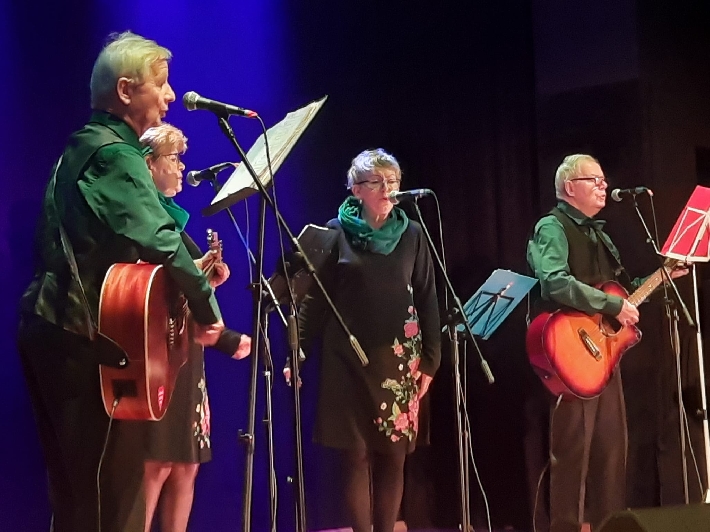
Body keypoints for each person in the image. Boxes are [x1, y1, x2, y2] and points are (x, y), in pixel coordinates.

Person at [17, 32, 225, 532]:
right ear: (127, 91)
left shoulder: (84, 145)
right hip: (78, 338)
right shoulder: (116, 155)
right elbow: (161, 240)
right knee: (108, 495)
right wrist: (207, 312)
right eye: (162, 84)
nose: (171, 96)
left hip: (52, 329)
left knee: (76, 495)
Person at [526, 154, 687, 532]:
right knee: (572, 455)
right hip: (571, 353)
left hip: (603, 357)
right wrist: (613, 305)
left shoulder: (599, 233)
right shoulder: (552, 226)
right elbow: (554, 281)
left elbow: (624, 295)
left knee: (612, 454)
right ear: (570, 188)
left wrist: (662, 277)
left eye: (603, 180)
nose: (604, 186)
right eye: (594, 180)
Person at [297, 148, 441, 532]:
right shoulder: (335, 231)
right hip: (346, 360)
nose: (387, 189)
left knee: (393, 457)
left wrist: (431, 360)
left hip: (398, 359)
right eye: (377, 182)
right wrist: (298, 351)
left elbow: (427, 296)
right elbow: (315, 300)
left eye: (393, 181)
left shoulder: (413, 234)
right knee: (355, 457)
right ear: (356, 189)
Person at [139, 123, 251, 532]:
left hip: (187, 357)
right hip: (157, 355)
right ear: (148, 165)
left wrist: (204, 275)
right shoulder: (144, 218)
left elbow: (181, 288)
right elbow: (145, 288)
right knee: (156, 464)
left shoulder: (172, 220)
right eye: (174, 158)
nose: (182, 168)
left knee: (186, 465)